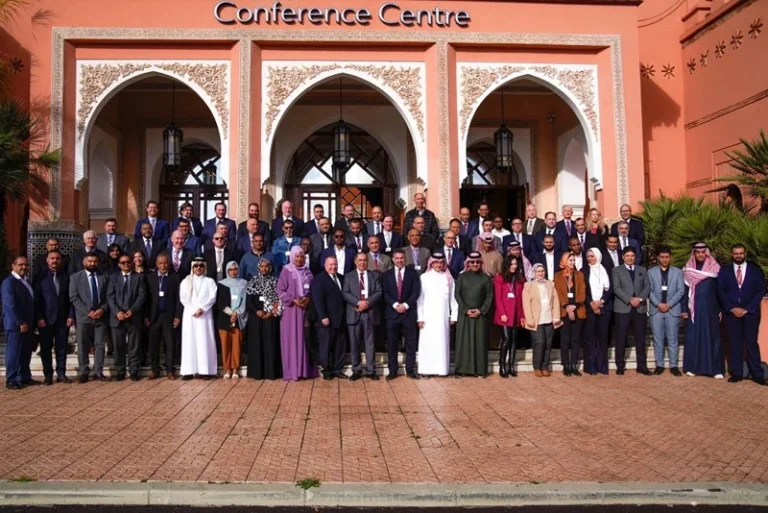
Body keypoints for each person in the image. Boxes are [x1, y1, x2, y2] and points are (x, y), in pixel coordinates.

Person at [718, 244, 767, 385]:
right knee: (735, 343)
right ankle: (737, 373)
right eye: (735, 253)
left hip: (750, 313)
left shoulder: (755, 270)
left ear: (745, 254)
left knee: (751, 343)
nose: (738, 255)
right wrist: (732, 308)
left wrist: (748, 308)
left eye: (741, 253)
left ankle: (758, 375)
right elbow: (721, 291)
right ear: (731, 254)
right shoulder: (725, 271)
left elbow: (760, 290)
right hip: (731, 314)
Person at [682, 243, 724, 379]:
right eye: (697, 252)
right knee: (694, 337)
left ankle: (716, 369)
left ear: (707, 253)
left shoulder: (715, 269)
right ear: (693, 253)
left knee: (713, 337)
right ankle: (693, 367)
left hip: (711, 309)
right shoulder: (688, 270)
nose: (700, 254)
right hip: (693, 310)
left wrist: (721, 309)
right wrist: (684, 310)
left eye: (703, 252)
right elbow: (684, 292)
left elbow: (720, 291)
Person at [34, 250, 74, 385]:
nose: (54, 260)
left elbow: (71, 299)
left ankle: (61, 373)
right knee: (46, 348)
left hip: (63, 319)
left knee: (61, 347)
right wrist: (39, 317)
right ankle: (48, 375)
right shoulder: (40, 277)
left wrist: (70, 315)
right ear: (47, 260)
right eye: (52, 258)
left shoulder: (67, 277)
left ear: (61, 260)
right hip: (46, 319)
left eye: (57, 258)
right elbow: (37, 300)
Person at [69, 253, 110, 383]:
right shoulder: (75, 278)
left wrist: (102, 309)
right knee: (82, 345)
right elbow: (74, 297)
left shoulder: (104, 277)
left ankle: (98, 372)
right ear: (84, 262)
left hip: (100, 317)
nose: (92, 264)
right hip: (83, 317)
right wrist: (89, 311)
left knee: (100, 345)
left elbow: (109, 297)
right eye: (90, 261)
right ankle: (84, 372)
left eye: (95, 261)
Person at [278, 247, 317, 381]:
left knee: (305, 340)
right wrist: (293, 300)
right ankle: (293, 371)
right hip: (291, 311)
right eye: (297, 257)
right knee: (292, 339)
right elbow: (280, 290)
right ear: (292, 257)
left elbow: (312, 289)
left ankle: (304, 370)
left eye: (302, 257)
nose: (300, 259)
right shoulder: (286, 271)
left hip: (305, 309)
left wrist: (308, 298)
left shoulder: (308, 272)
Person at [416, 253, 458, 378]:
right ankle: (426, 370)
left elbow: (453, 299)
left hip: (443, 316)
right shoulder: (424, 277)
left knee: (442, 343)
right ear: (431, 263)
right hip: (428, 317)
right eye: (436, 262)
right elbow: (420, 300)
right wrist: (420, 317)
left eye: (441, 262)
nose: (438, 265)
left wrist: (454, 316)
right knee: (427, 344)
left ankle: (442, 370)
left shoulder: (448, 278)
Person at [381, 249, 421, 379]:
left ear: (405, 259)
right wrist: (395, 305)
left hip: (408, 313)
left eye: (401, 258)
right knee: (392, 343)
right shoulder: (386, 275)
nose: (399, 260)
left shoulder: (413, 274)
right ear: (392, 259)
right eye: (397, 258)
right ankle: (393, 371)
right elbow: (384, 293)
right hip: (392, 314)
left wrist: (405, 305)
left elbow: (416, 292)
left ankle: (410, 370)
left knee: (410, 343)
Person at [107, 253, 147, 381]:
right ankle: (120, 370)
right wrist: (117, 312)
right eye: (123, 262)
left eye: (128, 262)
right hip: (117, 317)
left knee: (134, 345)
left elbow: (142, 296)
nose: (126, 264)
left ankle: (134, 370)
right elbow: (110, 297)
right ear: (119, 264)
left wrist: (132, 310)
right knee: (118, 345)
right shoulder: (113, 278)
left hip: (133, 316)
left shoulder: (139, 277)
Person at [343, 252, 382, 380]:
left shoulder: (374, 275)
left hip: (370, 313)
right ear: (355, 262)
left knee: (370, 343)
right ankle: (357, 370)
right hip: (354, 313)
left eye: (365, 260)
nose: (362, 263)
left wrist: (367, 303)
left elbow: (378, 292)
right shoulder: (348, 276)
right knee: (354, 343)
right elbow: (345, 293)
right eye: (360, 260)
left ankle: (371, 371)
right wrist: (358, 302)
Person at [612, 246, 651, 376]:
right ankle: (620, 365)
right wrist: (629, 300)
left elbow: (647, 286)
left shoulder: (642, 269)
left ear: (635, 257)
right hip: (623, 309)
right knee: (621, 338)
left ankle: (642, 365)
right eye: (627, 256)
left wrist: (639, 299)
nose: (630, 258)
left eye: (632, 256)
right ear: (623, 257)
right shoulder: (616, 270)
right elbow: (617, 288)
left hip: (639, 309)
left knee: (640, 339)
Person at [454, 252, 493, 377]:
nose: (475, 264)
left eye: (477, 262)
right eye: (472, 262)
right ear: (468, 263)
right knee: (463, 342)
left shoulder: (486, 278)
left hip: (480, 315)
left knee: (480, 342)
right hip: (464, 315)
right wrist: (466, 310)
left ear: (481, 263)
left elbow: (489, 296)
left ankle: (480, 370)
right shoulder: (461, 277)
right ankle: (462, 370)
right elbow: (457, 295)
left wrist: (481, 310)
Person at [648, 247, 685, 375]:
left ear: (670, 257)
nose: (664, 259)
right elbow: (649, 290)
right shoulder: (651, 272)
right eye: (662, 257)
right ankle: (659, 364)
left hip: (672, 309)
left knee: (673, 338)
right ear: (658, 258)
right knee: (657, 338)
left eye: (667, 257)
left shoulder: (678, 272)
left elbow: (681, 290)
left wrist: (669, 304)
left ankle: (674, 365)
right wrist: (658, 304)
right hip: (656, 309)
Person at [179, 257, 218, 379]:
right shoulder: (186, 281)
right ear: (192, 268)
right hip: (190, 315)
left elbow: (213, 297)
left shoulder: (210, 281)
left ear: (204, 267)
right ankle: (188, 371)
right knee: (189, 342)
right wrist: (193, 310)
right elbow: (183, 298)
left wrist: (202, 309)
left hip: (205, 315)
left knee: (204, 341)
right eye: (196, 266)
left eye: (201, 265)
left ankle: (204, 371)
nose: (198, 268)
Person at [145, 253, 181, 380]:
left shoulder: (175, 278)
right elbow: (146, 298)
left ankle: (170, 369)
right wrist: (146, 316)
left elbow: (178, 299)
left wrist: (177, 316)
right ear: (156, 264)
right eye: (160, 263)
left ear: (169, 264)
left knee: (170, 343)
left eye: (165, 263)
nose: (163, 265)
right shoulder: (150, 277)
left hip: (169, 316)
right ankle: (155, 369)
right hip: (154, 316)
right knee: (153, 344)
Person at [311, 255, 348, 380]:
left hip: (340, 319)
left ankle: (337, 369)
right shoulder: (319, 279)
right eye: (330, 265)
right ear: (325, 265)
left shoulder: (342, 278)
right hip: (326, 319)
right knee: (325, 345)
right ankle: (326, 370)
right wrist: (323, 316)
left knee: (340, 345)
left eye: (335, 264)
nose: (333, 267)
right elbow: (318, 300)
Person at [2, 257, 37, 389]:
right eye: (20, 265)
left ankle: (24, 376)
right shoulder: (9, 282)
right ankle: (11, 379)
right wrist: (20, 322)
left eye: (26, 265)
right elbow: (10, 305)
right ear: (13, 266)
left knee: (25, 352)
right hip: (15, 325)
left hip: (28, 324)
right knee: (14, 352)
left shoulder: (26, 281)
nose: (24, 267)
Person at [245, 259, 283, 380]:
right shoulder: (253, 281)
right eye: (262, 266)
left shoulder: (275, 281)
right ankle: (257, 373)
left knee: (271, 344)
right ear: (258, 268)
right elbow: (249, 301)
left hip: (271, 318)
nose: (264, 268)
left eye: (267, 266)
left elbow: (278, 300)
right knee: (257, 344)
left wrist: (272, 312)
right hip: (256, 318)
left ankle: (271, 372)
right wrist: (257, 311)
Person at [523, 263, 562, 377]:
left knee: (548, 344)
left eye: (542, 271)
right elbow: (526, 304)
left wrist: (556, 316)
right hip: (536, 320)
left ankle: (545, 366)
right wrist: (529, 319)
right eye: (538, 271)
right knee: (539, 343)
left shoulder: (550, 284)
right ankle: (537, 366)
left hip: (549, 318)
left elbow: (555, 301)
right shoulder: (528, 285)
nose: (540, 273)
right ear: (534, 273)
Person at [554, 253, 586, 376]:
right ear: (564, 261)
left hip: (578, 310)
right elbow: (557, 292)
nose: (572, 262)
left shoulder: (579, 275)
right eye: (570, 260)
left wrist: (574, 306)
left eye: (573, 260)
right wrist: (567, 307)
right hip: (564, 311)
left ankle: (574, 365)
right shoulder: (557, 275)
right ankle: (566, 365)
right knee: (565, 339)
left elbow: (582, 292)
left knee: (576, 340)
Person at [582, 248, 612, 375]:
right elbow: (583, 290)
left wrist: (601, 302)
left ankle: (602, 365)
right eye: (588, 256)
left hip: (604, 308)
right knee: (590, 338)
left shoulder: (606, 270)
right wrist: (592, 304)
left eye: (592, 256)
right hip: (590, 309)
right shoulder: (583, 271)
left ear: (598, 256)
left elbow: (610, 289)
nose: (590, 258)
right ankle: (590, 366)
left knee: (602, 338)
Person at [493, 256, 525, 377]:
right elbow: (498, 297)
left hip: (516, 313)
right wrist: (502, 314)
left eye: (516, 264)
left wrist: (522, 315)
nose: (514, 266)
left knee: (514, 340)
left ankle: (511, 365)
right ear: (507, 264)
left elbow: (522, 299)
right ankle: (502, 365)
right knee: (506, 339)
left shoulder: (520, 278)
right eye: (511, 264)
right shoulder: (500, 278)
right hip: (505, 314)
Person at [217, 261, 248, 379]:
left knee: (236, 344)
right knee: (225, 344)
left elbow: (245, 300)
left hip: (239, 317)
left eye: (235, 269)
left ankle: (235, 368)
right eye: (231, 269)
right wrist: (230, 312)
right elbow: (219, 302)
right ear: (227, 271)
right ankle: (227, 369)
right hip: (225, 318)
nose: (233, 271)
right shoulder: (221, 284)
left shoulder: (244, 283)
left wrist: (237, 313)